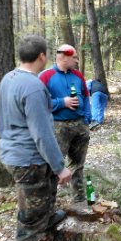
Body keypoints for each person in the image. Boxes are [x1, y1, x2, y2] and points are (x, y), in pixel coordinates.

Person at [0, 35, 72, 241]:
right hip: (28, 159)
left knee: (42, 193)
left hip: (12, 153)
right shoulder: (34, 87)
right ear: (42, 56)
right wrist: (60, 167)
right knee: (28, 224)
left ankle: (48, 216)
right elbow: (42, 134)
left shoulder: (9, 78)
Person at [39, 44, 91, 208]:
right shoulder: (46, 76)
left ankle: (79, 199)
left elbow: (85, 95)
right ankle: (49, 204)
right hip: (58, 126)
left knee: (78, 165)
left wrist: (87, 118)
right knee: (55, 165)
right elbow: (39, 103)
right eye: (74, 57)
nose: (76, 60)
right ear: (63, 56)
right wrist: (62, 102)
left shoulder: (78, 75)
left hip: (80, 126)